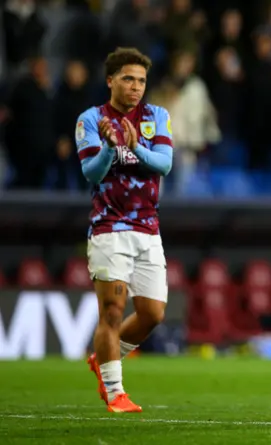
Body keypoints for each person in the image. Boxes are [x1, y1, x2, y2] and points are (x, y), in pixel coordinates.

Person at [75, 47, 173, 413]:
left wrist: (134, 146)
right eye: (128, 79)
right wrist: (109, 148)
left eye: (142, 80)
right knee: (112, 311)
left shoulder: (156, 116)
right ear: (110, 80)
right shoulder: (91, 119)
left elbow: (163, 164)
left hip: (148, 227)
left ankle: (104, 356)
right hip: (109, 228)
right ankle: (115, 392)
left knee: (153, 314)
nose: (136, 87)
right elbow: (91, 172)